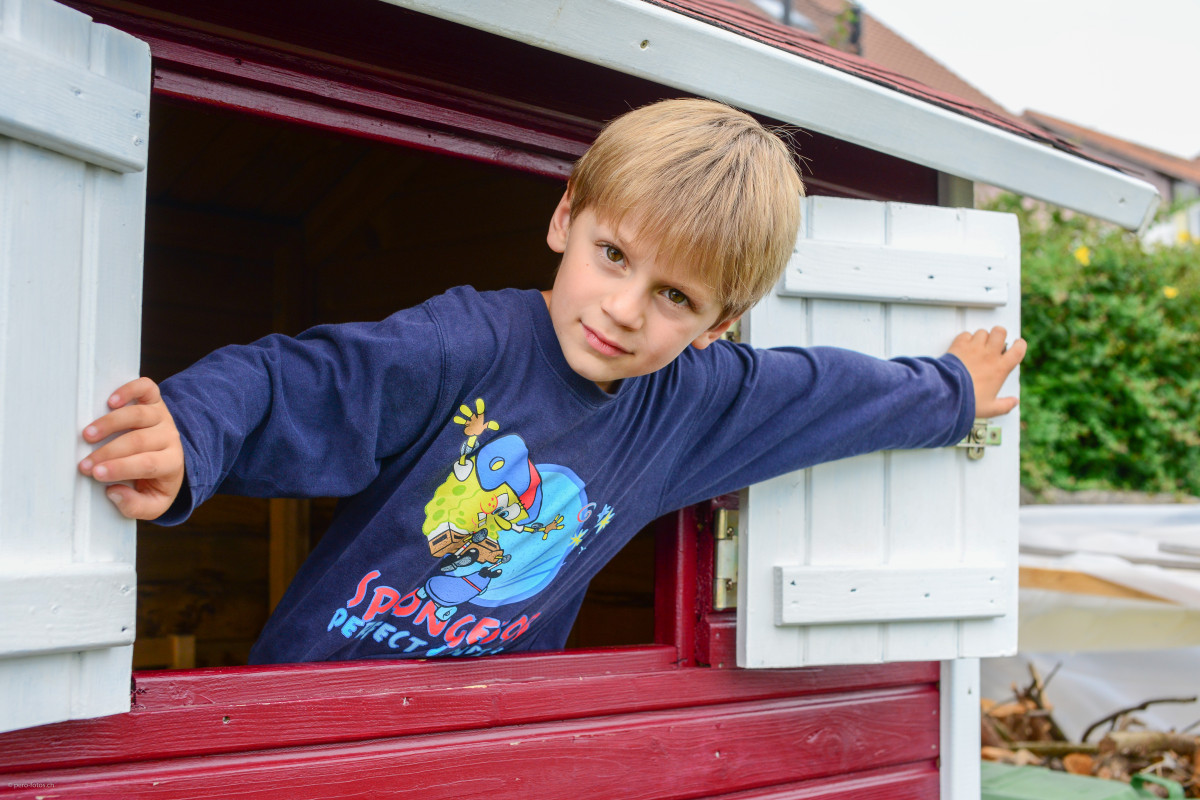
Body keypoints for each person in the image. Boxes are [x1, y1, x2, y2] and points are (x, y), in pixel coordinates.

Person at [77, 98, 1025, 663]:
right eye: (613, 254)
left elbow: (822, 395)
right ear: (566, 217)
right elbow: (307, 380)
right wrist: (191, 433)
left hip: (486, 731)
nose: (623, 309)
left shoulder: (688, 410)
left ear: (716, 326)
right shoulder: (467, 343)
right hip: (310, 701)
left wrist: (948, 391)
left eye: (674, 296)